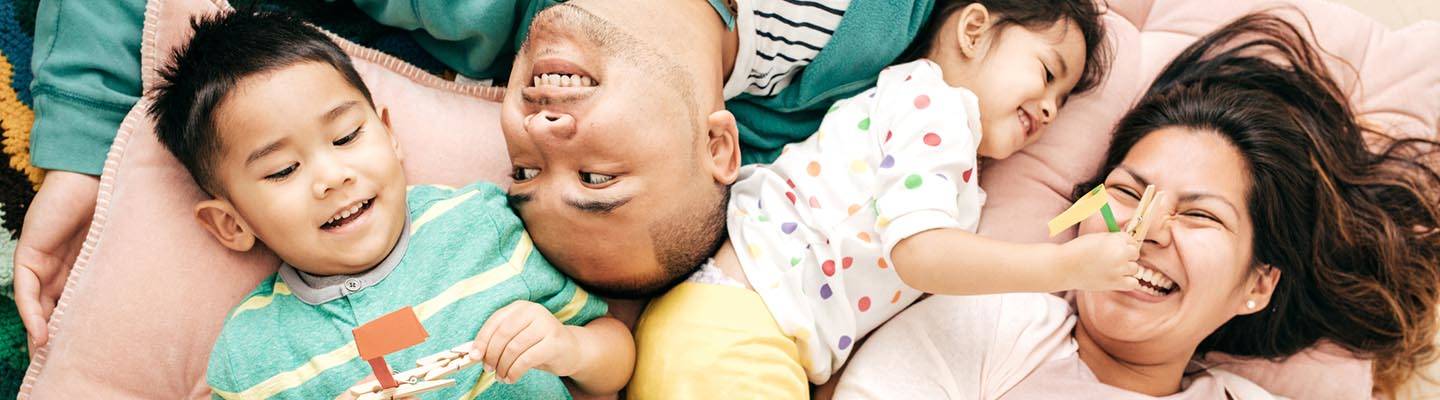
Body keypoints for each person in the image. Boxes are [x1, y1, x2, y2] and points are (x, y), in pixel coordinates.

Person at [16, 0, 936, 347]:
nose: (538, 129)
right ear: (718, 146)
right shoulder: (860, 62)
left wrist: (81, 152)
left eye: (526, 170)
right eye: (601, 175)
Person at [504, 0, 1113, 396]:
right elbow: (921, 255)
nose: (1049, 109)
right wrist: (1062, 267)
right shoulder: (936, 108)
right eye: (1047, 73)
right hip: (740, 325)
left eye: (1062, 106)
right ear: (975, 30)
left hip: (733, 329)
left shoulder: (934, 143)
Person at [832, 13, 1440, 398]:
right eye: (1127, 192)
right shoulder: (991, 325)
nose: (1145, 228)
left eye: (1201, 215)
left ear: (1257, 284)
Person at [146, 11, 633, 398]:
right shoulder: (250, 356)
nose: (332, 178)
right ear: (230, 224)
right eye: (282, 171)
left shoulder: (483, 228)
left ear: (389, 133)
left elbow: (615, 357)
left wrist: (569, 348)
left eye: (347, 136)